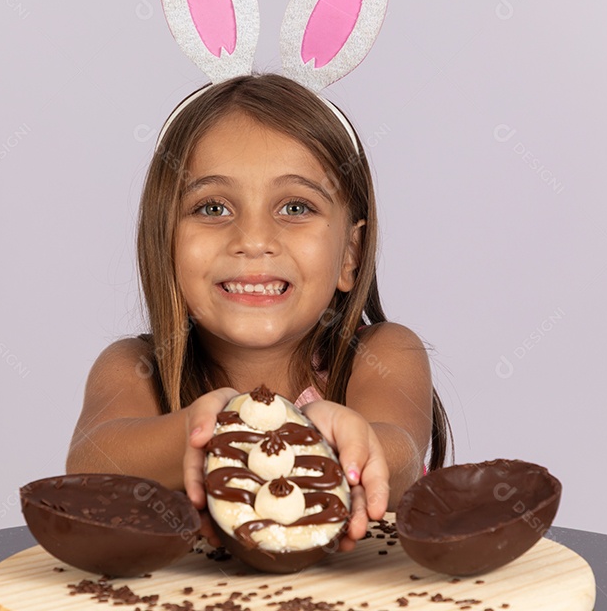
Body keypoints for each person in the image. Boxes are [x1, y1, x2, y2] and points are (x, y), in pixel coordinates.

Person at [66, 73, 452, 551]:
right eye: (212, 208)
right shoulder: (137, 368)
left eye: (295, 207)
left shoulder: (381, 353)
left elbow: (400, 455)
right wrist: (201, 433)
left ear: (350, 255)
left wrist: (346, 443)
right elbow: (89, 468)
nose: (253, 240)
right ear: (164, 243)